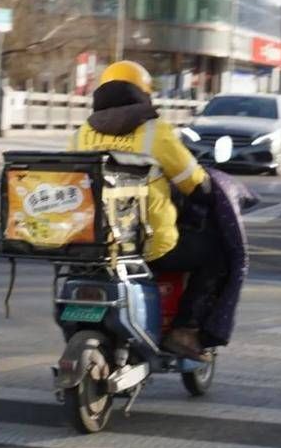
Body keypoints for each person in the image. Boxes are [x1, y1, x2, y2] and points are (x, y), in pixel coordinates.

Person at [74, 60, 226, 361]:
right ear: (142, 95)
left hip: (89, 243)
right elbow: (196, 184)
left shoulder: (83, 132)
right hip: (146, 244)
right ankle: (184, 330)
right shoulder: (155, 131)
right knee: (216, 254)